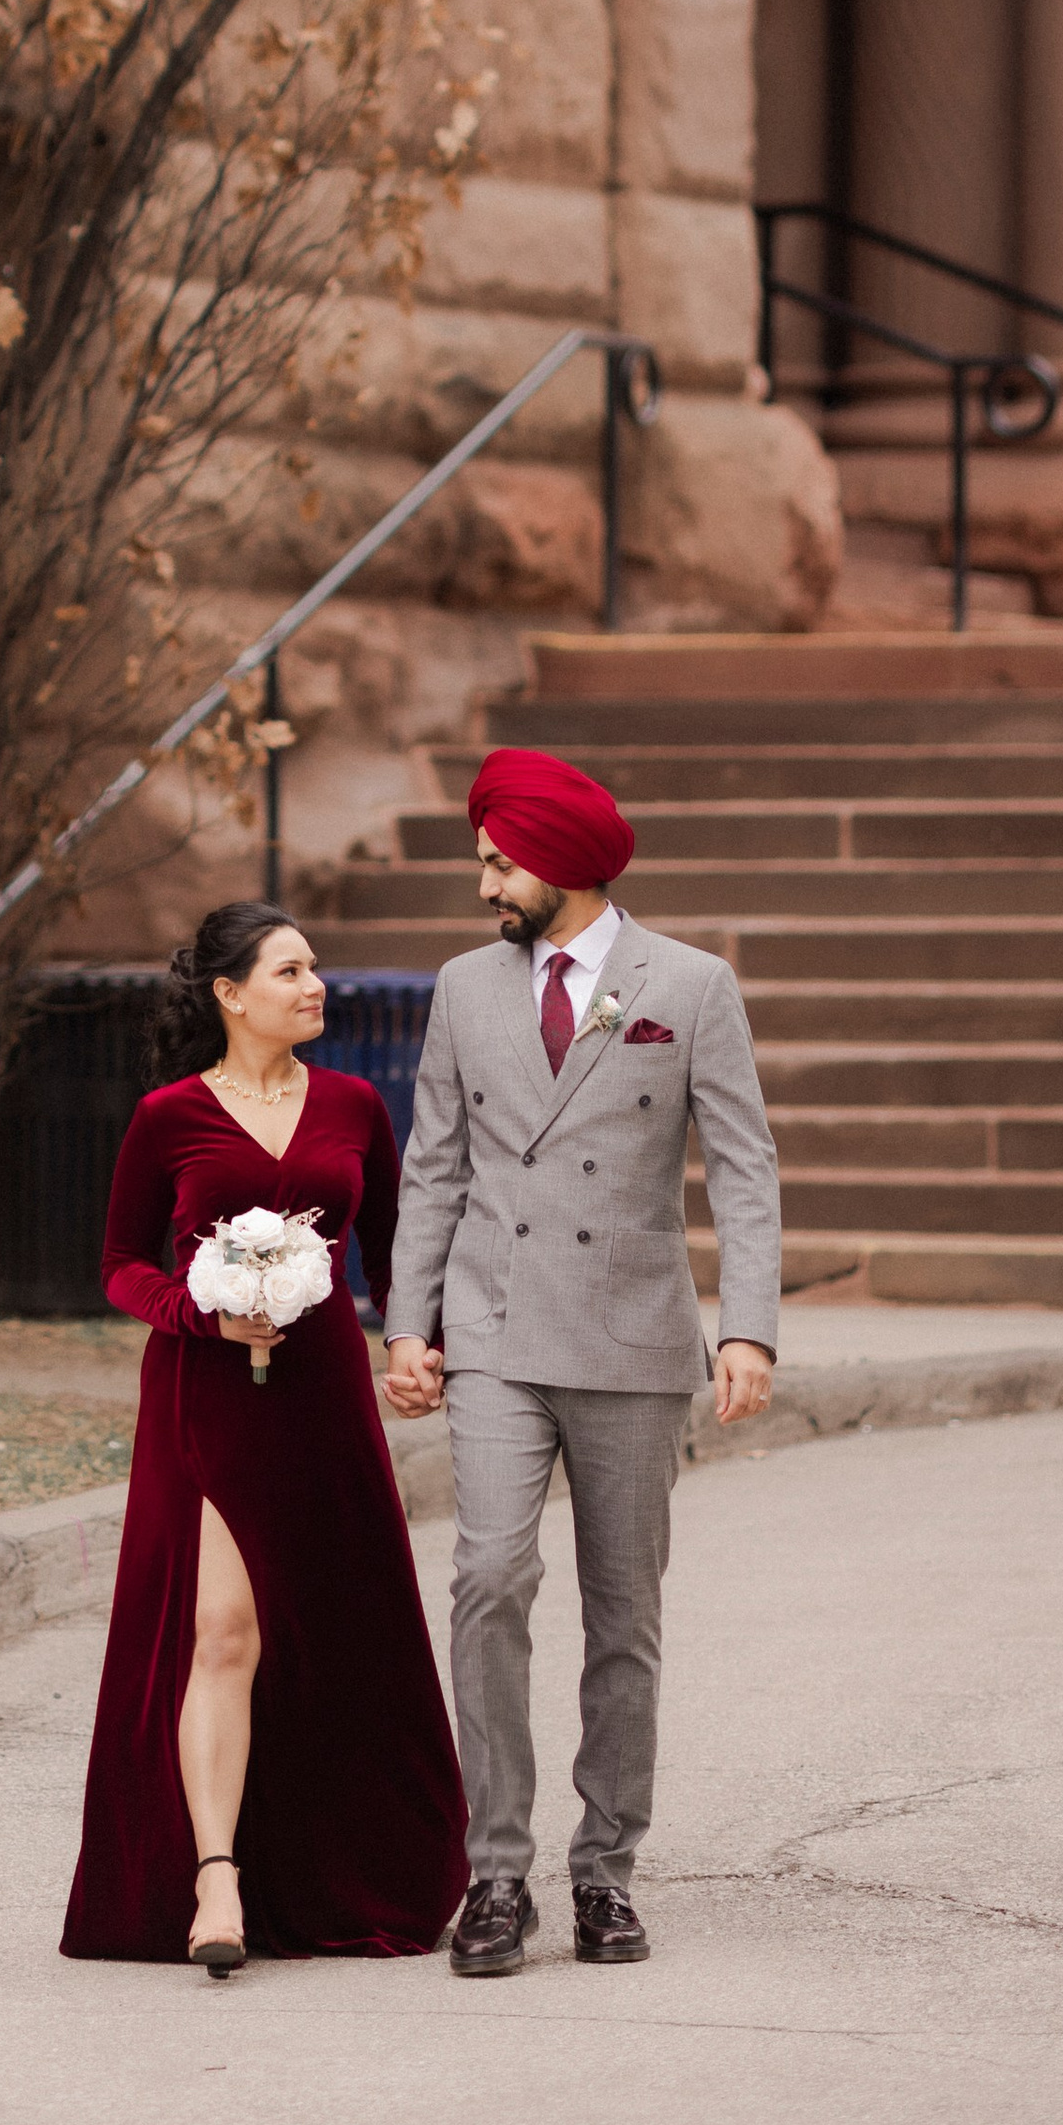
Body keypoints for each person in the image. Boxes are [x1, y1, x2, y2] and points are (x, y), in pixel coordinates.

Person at [381, 744, 782, 1979]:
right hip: (494, 1329)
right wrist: (408, 1324)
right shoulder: (463, 985)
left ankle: (605, 1871)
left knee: (625, 1616)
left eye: (498, 863)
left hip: (631, 1338)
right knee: (488, 1578)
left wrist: (747, 1325)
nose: (484, 886)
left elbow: (745, 1164)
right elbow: (434, 1162)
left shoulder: (692, 983)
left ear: (557, 861)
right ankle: (494, 1874)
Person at [61, 900, 468, 1977]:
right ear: (230, 995)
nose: (315, 985)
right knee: (224, 1633)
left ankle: (338, 1868)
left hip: (324, 1392)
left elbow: (389, 1253)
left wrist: (413, 1347)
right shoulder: (167, 1117)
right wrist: (200, 1312)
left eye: (316, 967)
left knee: (330, 1633)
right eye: (290, 970)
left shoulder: (352, 1107)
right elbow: (116, 1262)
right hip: (208, 1396)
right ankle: (214, 1876)